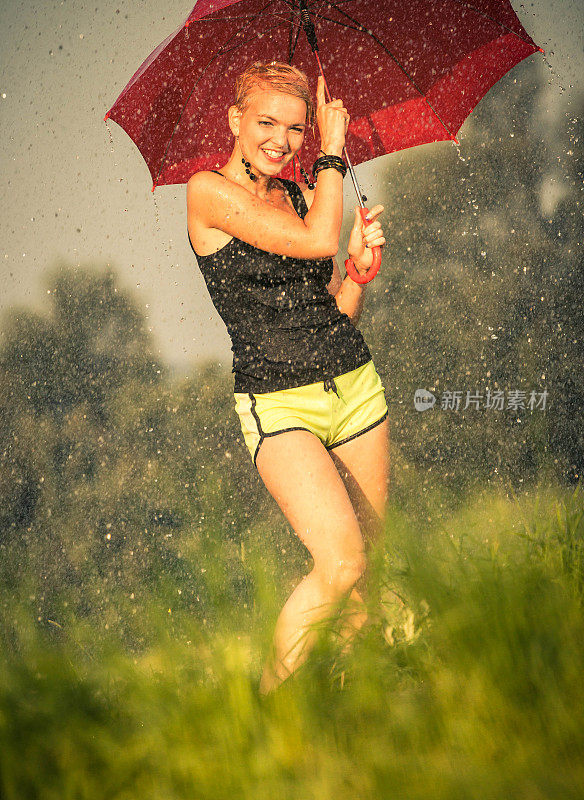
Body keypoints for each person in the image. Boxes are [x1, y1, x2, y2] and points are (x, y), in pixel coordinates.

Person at [187, 61, 388, 695]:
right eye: (266, 122)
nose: (282, 139)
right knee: (341, 560)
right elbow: (314, 238)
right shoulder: (208, 194)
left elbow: (324, 307)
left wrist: (354, 272)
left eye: (298, 129)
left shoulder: (301, 195)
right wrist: (333, 152)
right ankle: (269, 707)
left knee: (366, 582)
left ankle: (344, 723)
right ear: (234, 121)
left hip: (353, 386)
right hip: (278, 404)